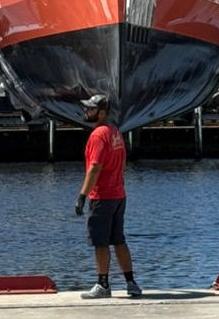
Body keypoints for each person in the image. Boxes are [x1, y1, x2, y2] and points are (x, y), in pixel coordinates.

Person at [74, 93, 141, 299]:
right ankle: (131, 283)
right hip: (119, 195)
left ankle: (103, 284)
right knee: (119, 240)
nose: (86, 111)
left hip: (102, 196)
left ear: (101, 112)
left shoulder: (98, 135)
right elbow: (121, 162)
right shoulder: (115, 132)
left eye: (91, 109)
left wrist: (82, 196)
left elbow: (94, 167)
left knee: (100, 242)